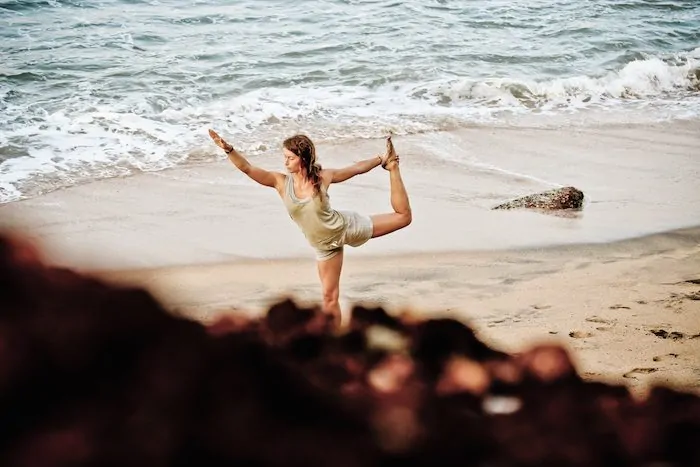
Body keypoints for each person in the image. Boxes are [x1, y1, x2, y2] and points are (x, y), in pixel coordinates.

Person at [208, 129, 412, 325]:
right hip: (324, 247)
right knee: (329, 296)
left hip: (346, 228)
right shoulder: (280, 182)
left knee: (403, 217)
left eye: (290, 157)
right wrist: (229, 150)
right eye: (285, 157)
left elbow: (355, 169)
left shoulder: (323, 177)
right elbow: (248, 168)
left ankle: (393, 167)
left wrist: (382, 159)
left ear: (302, 158)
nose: (285, 162)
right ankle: (333, 340)